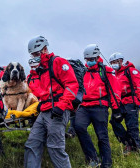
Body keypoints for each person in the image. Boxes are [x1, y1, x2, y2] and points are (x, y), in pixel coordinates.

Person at [24, 36, 79, 168]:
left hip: (58, 111)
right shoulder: (38, 71)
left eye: (37, 54)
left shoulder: (58, 62)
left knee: (55, 148)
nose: (34, 56)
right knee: (32, 144)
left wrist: (61, 106)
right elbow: (37, 92)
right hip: (44, 111)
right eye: (33, 54)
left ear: (44, 50)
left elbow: (71, 85)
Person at [74, 44, 121, 168]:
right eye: (87, 60)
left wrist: (116, 109)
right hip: (84, 106)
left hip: (100, 106)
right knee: (78, 127)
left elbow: (114, 90)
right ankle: (92, 157)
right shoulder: (83, 72)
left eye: (91, 59)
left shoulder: (106, 71)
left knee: (102, 135)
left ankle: (106, 163)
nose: (89, 62)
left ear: (97, 57)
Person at [109, 52, 140, 154]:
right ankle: (128, 143)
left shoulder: (130, 71)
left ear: (120, 61)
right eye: (111, 62)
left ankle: (137, 149)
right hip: (120, 103)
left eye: (115, 62)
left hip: (131, 102)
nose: (113, 64)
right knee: (114, 121)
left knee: (132, 126)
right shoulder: (115, 74)